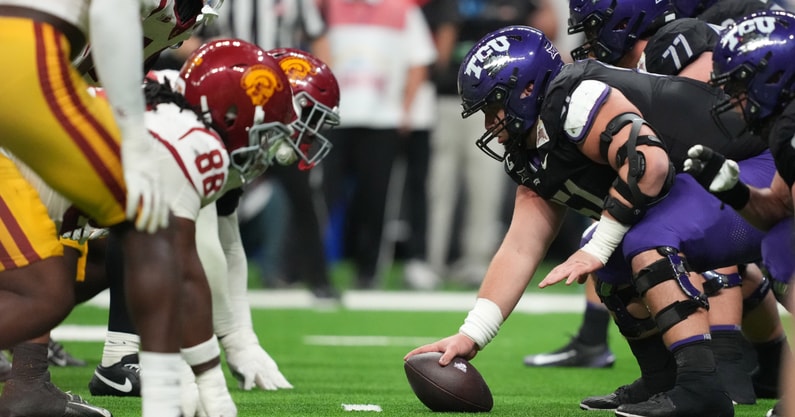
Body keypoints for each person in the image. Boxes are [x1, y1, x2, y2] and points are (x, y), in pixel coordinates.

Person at [405, 25, 777, 417]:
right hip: (708, 183)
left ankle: (702, 389)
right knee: (613, 256)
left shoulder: (578, 95)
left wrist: (597, 248)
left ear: (527, 89)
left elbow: (648, 163)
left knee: (638, 239)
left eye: (493, 107)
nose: (489, 124)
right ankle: (662, 378)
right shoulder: (532, 148)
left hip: (755, 173)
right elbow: (520, 247)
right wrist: (472, 335)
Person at [0, 0, 185, 416]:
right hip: (21, 49)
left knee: (43, 290)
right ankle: (161, 400)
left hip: (27, 56)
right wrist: (134, 137)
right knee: (148, 218)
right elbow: (110, 13)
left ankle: (28, 384)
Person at [680, 9, 795, 416]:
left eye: (741, 86)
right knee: (781, 239)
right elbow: (780, 207)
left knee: (786, 247)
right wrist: (733, 190)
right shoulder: (785, 126)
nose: (733, 100)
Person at [318, 0, 437, 289]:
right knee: (322, 195)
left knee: (376, 199)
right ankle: (307, 266)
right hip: (337, 117)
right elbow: (319, 54)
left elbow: (420, 61)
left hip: (383, 118)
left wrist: (405, 107)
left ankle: (369, 271)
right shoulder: (327, 7)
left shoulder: (402, 9)